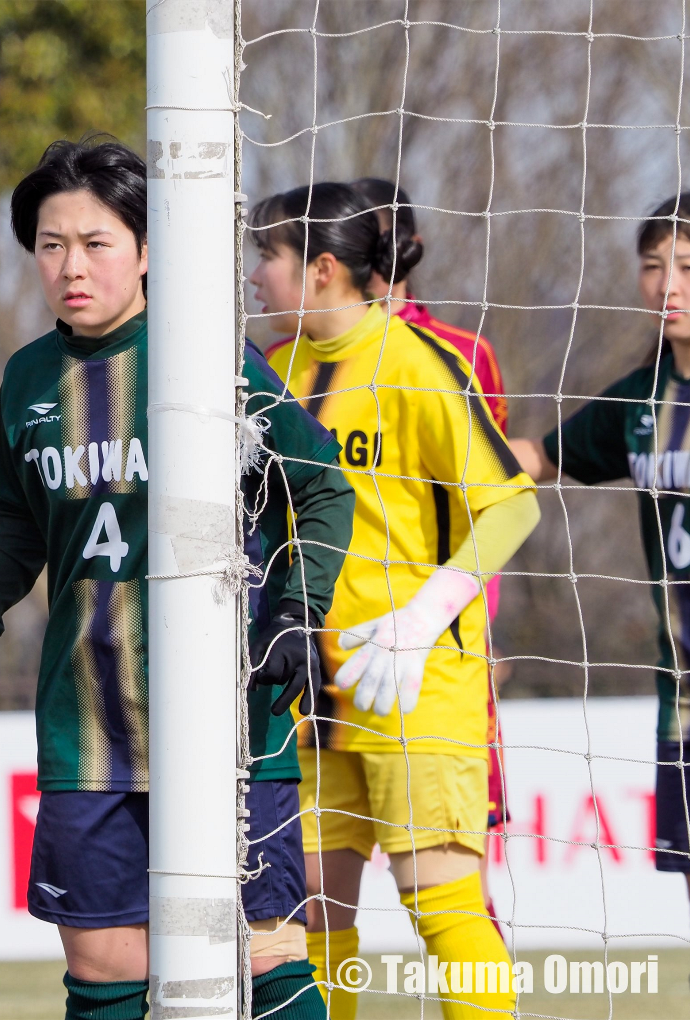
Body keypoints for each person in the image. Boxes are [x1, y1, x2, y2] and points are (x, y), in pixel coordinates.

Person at [0, 137, 354, 1020]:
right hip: (88, 722)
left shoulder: (211, 360)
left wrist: (298, 614)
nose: (70, 266)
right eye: (51, 245)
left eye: (96, 242)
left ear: (149, 249)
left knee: (263, 953)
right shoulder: (28, 379)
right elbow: (15, 524)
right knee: (105, 964)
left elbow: (319, 486)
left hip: (230, 717)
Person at [254, 181, 540, 1019]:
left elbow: (513, 503)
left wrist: (421, 621)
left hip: (413, 682)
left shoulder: (420, 364)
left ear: (325, 269)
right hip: (305, 681)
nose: (256, 274)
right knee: (308, 915)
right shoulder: (270, 369)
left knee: (442, 905)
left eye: (268, 255)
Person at [508, 191, 690, 1014]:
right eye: (653, 266)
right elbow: (535, 459)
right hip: (686, 702)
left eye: (688, 266)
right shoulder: (639, 401)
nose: (668, 284)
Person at [351, 177, 514, 930]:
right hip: (327, 663)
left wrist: (472, 627)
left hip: (432, 655)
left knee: (451, 894)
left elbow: (492, 503)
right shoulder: (290, 358)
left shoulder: (455, 353)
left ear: (404, 249)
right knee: (311, 902)